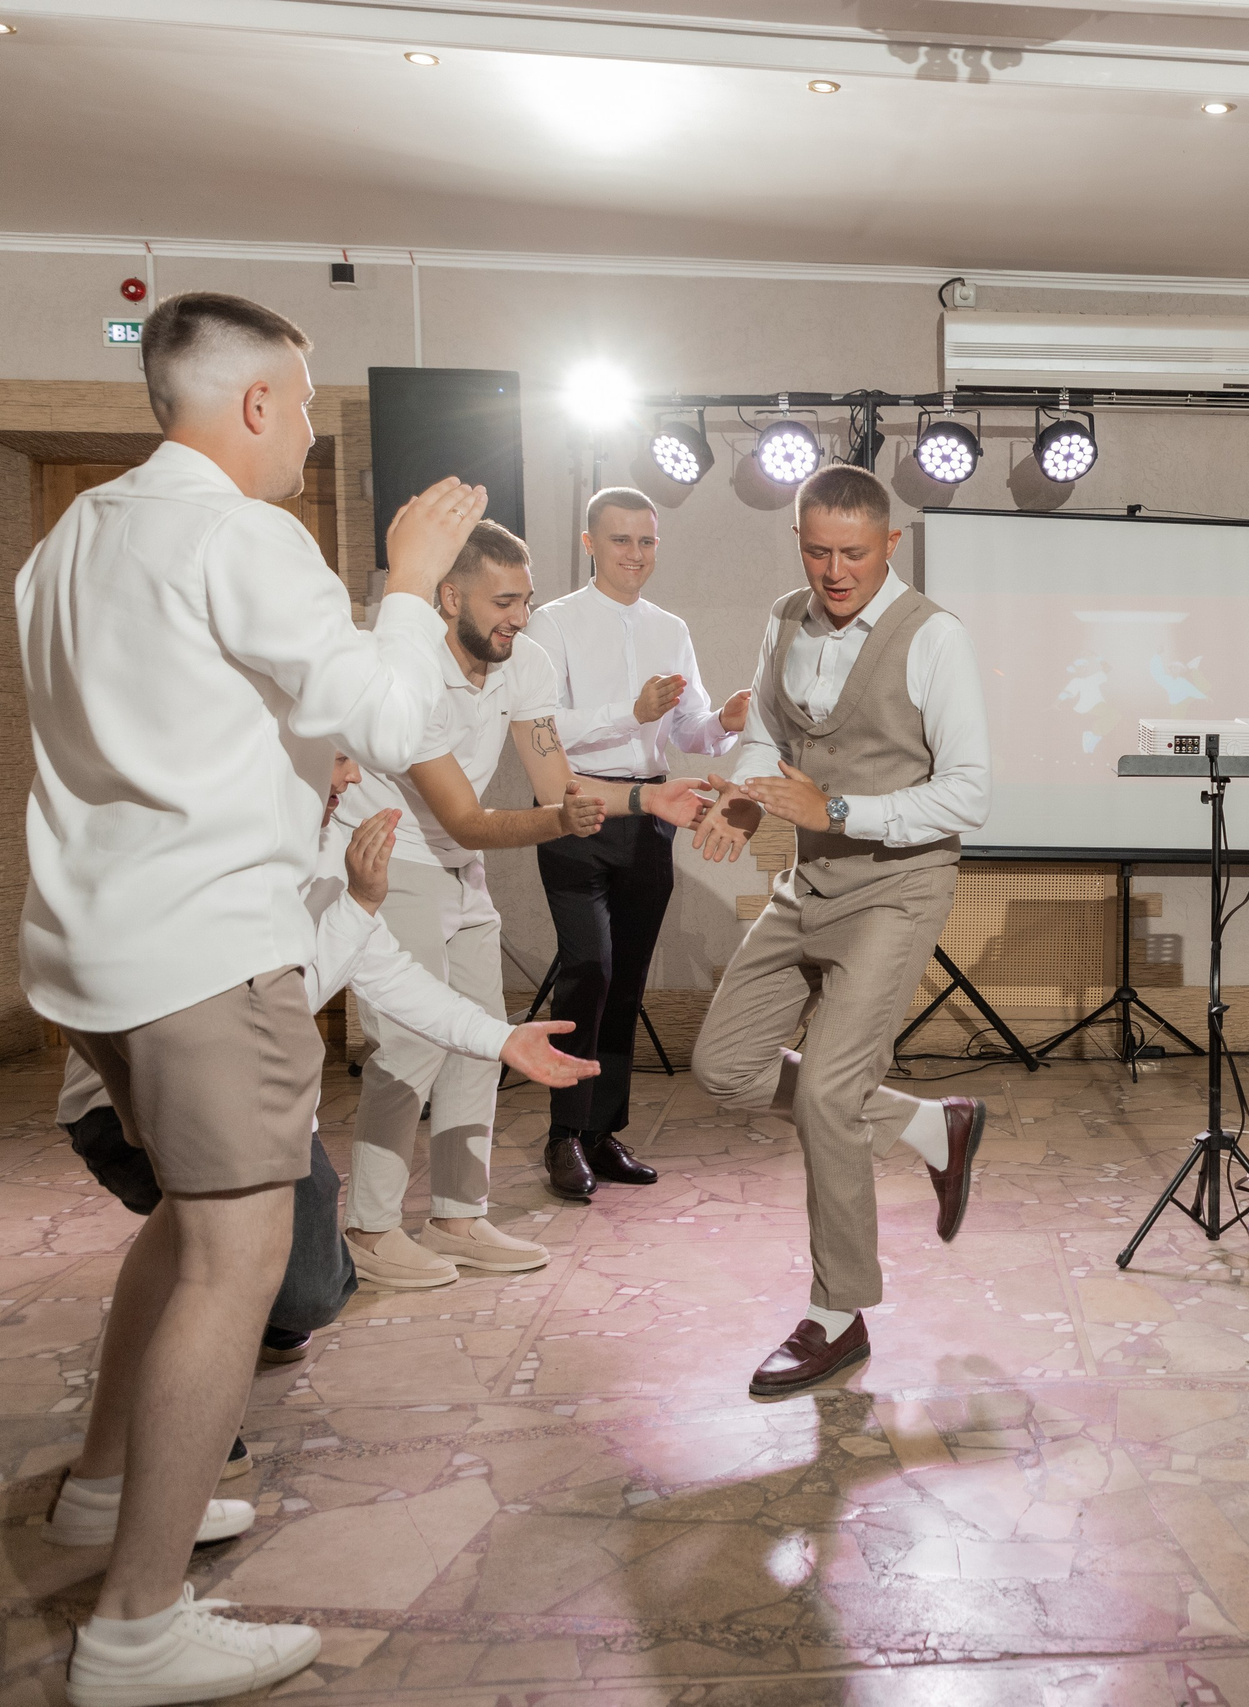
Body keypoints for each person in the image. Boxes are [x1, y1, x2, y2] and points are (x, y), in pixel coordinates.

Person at [16, 288, 465, 1706]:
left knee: (183, 1231)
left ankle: (101, 1494)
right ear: (259, 401)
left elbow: (173, 724)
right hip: (208, 950)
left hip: (95, 949)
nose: (306, 432)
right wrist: (406, 583)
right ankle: (140, 1623)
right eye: (305, 395)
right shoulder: (243, 531)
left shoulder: (70, 537)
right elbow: (392, 721)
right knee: (238, 1256)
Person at [47, 756, 596, 1551]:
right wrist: (361, 907)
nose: (346, 769)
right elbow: (237, 1014)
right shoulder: (223, 848)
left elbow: (385, 974)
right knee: (214, 1257)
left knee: (310, 1290)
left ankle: (215, 1353)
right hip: (147, 1100)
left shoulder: (321, 848)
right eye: (326, 751)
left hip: (264, 1117)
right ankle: (170, 1449)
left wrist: (500, 1035)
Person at [332, 520, 706, 1291]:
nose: (519, 617)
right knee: (410, 1048)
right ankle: (370, 1228)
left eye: (526, 600)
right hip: (390, 852)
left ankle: (457, 1215)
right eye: (503, 601)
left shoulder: (524, 661)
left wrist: (646, 796)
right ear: (448, 597)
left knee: (486, 1038)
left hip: (458, 863)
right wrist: (567, 818)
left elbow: (553, 783)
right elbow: (476, 815)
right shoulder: (408, 669)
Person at [689, 463, 993, 1397]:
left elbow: (971, 794)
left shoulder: (933, 637)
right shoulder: (785, 617)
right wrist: (745, 795)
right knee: (725, 1064)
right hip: (806, 876)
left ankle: (838, 1313)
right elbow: (763, 735)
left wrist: (843, 808)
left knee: (826, 1092)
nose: (833, 570)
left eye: (853, 552)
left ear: (889, 544)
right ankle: (932, 1125)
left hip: (897, 886)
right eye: (816, 550)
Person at [524, 487, 748, 1200]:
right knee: (586, 967)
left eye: (647, 541)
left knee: (626, 980)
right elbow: (544, 726)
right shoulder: (550, 622)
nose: (635, 554)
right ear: (590, 544)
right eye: (621, 540)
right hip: (575, 804)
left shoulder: (669, 626)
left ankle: (601, 1131)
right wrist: (630, 710)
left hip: (652, 813)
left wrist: (725, 722)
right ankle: (562, 1135)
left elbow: (685, 732)